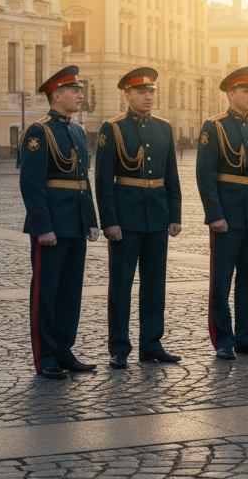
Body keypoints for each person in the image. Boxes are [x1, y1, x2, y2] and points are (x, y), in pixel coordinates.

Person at [95, 67, 183, 369]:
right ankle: (119, 347)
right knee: (121, 285)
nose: (148, 97)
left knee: (154, 284)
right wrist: (110, 221)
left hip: (157, 216)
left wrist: (175, 214)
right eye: (142, 92)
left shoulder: (164, 128)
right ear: (127, 95)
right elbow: (104, 179)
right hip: (126, 218)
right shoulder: (113, 128)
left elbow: (171, 174)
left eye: (151, 92)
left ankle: (151, 343)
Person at [20, 66, 101, 379]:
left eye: (80, 89)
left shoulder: (77, 131)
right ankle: (46, 357)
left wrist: (91, 219)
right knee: (46, 293)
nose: (80, 95)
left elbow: (83, 180)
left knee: (70, 293)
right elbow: (32, 184)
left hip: (75, 224)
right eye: (74, 90)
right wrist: (43, 227)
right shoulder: (39, 132)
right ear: (56, 95)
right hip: (52, 226)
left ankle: (65, 349)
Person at [196, 67, 248, 359]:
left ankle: (247, 335)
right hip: (228, 215)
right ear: (231, 94)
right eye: (246, 91)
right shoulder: (214, 126)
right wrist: (214, 213)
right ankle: (223, 339)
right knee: (221, 280)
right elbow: (205, 174)